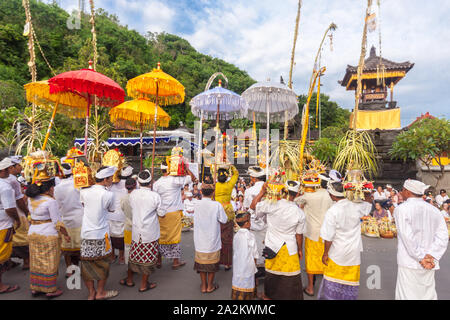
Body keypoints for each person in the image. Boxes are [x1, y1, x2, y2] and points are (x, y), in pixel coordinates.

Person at [251, 179, 306, 300]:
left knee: (271, 275)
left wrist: (262, 192)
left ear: (284, 191)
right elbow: (299, 235)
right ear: (297, 194)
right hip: (289, 248)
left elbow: (253, 206)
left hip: (273, 247)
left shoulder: (272, 204)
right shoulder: (299, 212)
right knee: (290, 278)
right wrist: (300, 250)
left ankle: (268, 296)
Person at [394, 179, 448, 300]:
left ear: (407, 192)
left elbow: (407, 237)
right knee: (427, 295)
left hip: (410, 261)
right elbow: (443, 236)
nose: (401, 192)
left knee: (407, 295)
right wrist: (431, 255)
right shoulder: (434, 210)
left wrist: (420, 257)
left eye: (402, 190)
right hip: (429, 262)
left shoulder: (401, 209)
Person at [318, 181, 372, 300]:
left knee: (333, 281)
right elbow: (368, 205)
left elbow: (328, 237)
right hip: (353, 252)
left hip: (336, 252)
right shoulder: (357, 205)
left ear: (332, 195)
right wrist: (366, 191)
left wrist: (325, 253)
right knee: (349, 282)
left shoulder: (332, 211)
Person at [26, 176, 71, 298]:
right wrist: (66, 234)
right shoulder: (50, 201)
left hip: (33, 233)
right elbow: (57, 222)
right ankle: (50, 289)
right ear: (50, 188)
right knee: (50, 262)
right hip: (48, 234)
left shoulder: (30, 199)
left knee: (36, 261)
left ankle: (36, 288)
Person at [120, 170, 164, 292]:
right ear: (150, 182)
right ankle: (144, 284)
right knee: (148, 259)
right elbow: (162, 213)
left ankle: (129, 279)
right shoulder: (155, 196)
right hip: (149, 232)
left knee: (133, 256)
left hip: (136, 231)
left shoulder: (133, 194)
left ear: (138, 182)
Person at [80, 166, 118, 300]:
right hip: (101, 234)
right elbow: (112, 210)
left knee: (87, 266)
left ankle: (91, 293)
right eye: (111, 178)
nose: (112, 180)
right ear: (105, 179)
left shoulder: (84, 191)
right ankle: (100, 292)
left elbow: (85, 205)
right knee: (103, 265)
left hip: (86, 234)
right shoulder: (108, 194)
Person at [294, 172, 334, 297]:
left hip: (312, 232)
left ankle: (311, 287)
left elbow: (295, 199)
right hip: (326, 233)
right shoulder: (330, 196)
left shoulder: (309, 196)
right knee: (326, 259)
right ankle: (328, 287)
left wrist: (303, 188)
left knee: (311, 260)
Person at [153, 163, 196, 270]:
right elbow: (193, 178)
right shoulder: (174, 180)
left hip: (161, 213)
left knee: (161, 236)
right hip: (173, 213)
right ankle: (176, 261)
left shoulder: (157, 183)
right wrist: (186, 168)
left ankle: (158, 261)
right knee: (175, 237)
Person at [193, 183, 228, 293]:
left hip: (200, 240)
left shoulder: (196, 204)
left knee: (202, 264)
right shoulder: (216, 205)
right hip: (212, 240)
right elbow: (224, 220)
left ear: (201, 192)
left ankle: (204, 286)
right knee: (212, 264)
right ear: (213, 193)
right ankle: (210, 286)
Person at [54, 163, 84, 277]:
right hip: (79, 218)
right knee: (79, 246)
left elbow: (56, 205)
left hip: (65, 219)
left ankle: (69, 269)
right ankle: (78, 268)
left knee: (67, 247)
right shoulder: (78, 184)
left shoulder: (57, 188)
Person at [0, 158, 20, 294]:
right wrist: (17, 219)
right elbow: (10, 209)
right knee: (1, 256)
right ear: (4, 170)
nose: (11, 170)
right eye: (9, 168)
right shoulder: (4, 186)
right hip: (3, 225)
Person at [7, 156, 30, 271]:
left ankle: (8, 261)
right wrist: (26, 211)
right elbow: (19, 200)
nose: (21, 168)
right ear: (12, 167)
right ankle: (26, 261)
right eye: (19, 165)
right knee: (22, 237)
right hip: (16, 211)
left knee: (8, 238)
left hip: (6, 213)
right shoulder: (12, 180)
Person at [243, 166, 267, 277]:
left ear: (253, 178)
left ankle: (255, 275)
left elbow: (246, 209)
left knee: (255, 248)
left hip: (254, 224)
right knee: (266, 248)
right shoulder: (270, 189)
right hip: (267, 224)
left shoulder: (249, 191)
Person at [214, 165, 239, 270]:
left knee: (216, 238)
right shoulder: (229, 185)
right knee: (227, 239)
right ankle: (227, 263)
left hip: (216, 212)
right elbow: (236, 174)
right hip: (227, 212)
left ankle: (215, 261)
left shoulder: (215, 186)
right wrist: (231, 167)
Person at [108, 166, 133, 265]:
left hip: (111, 215)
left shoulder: (112, 186)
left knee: (111, 236)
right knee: (122, 237)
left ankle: (112, 255)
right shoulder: (130, 186)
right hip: (123, 216)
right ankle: (122, 257)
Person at [231, 211, 258, 300]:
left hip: (238, 263)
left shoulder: (236, 235)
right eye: (250, 221)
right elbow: (254, 253)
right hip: (248, 264)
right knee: (248, 281)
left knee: (238, 280)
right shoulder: (250, 236)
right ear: (246, 223)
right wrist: (254, 264)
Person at [120, 177, 137, 265]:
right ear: (135, 185)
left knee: (128, 247)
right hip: (138, 227)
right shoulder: (138, 198)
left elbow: (123, 209)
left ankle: (129, 267)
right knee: (138, 247)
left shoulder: (123, 198)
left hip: (128, 225)